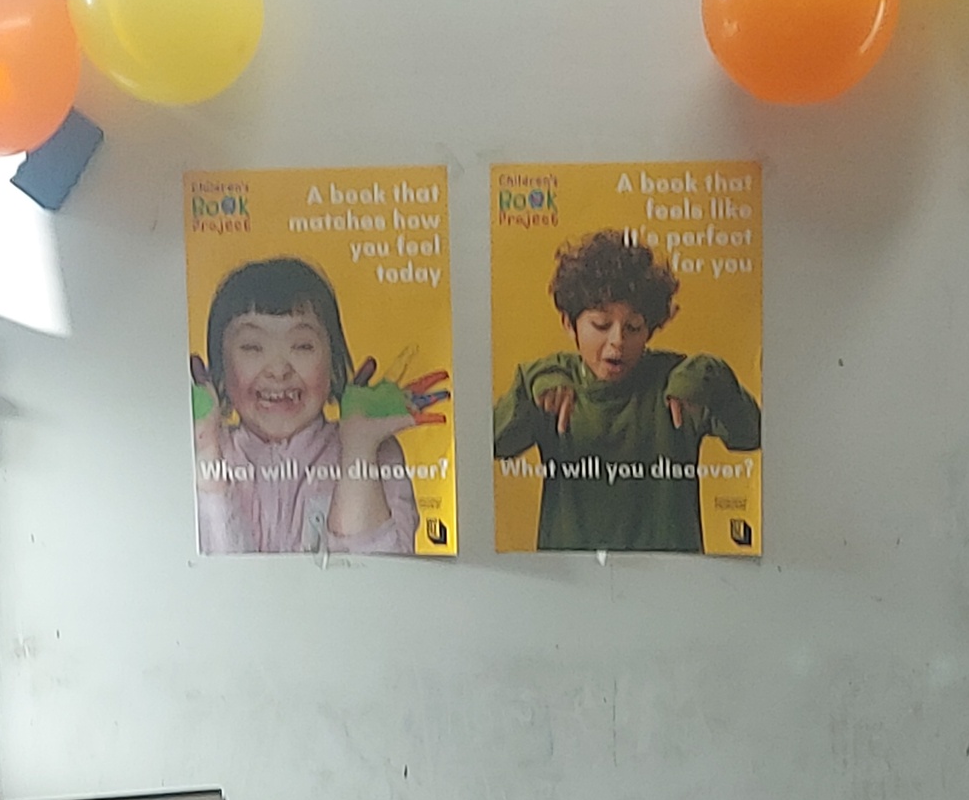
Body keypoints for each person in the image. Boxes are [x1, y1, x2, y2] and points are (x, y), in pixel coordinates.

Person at [493, 229, 761, 552]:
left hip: (672, 577)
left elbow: (751, 435)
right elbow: (492, 444)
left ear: (650, 328)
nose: (618, 341)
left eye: (633, 327)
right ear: (568, 323)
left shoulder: (680, 383)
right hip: (570, 578)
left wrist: (718, 381)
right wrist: (527, 386)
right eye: (601, 325)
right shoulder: (553, 387)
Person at [192, 256, 447, 557]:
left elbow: (380, 577)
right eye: (252, 347)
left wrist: (359, 450)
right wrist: (206, 451)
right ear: (220, 373)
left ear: (334, 367)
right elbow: (207, 576)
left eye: (302, 346)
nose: (278, 369)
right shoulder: (200, 453)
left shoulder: (378, 451)